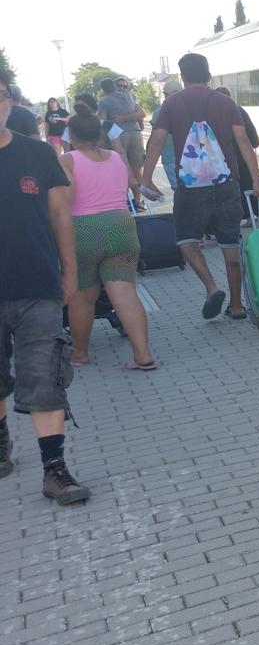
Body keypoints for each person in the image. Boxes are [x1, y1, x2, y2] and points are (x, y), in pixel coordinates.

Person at [0, 73, 91, 504]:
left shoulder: (37, 154)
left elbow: (60, 215)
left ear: (9, 103)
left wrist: (70, 271)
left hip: (37, 283)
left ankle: (54, 470)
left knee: (46, 376)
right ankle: (1, 444)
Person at [141, 53, 259, 320]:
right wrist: (257, 179)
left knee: (187, 240)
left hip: (190, 187)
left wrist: (146, 177)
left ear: (183, 76)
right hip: (226, 183)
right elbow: (243, 141)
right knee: (230, 244)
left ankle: (212, 287)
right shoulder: (226, 103)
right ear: (208, 74)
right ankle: (236, 306)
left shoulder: (171, 104)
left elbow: (155, 142)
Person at [59, 113, 155, 370]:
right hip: (122, 226)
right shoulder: (116, 158)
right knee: (124, 293)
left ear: (72, 135)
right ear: (100, 134)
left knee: (83, 297)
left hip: (84, 230)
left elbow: (64, 201)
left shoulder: (67, 160)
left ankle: (80, 354)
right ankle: (143, 355)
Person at [215, 87, 259, 224]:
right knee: (247, 185)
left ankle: (231, 219)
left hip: (223, 161)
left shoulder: (213, 114)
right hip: (243, 159)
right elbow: (253, 139)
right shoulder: (239, 111)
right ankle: (251, 215)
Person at [98, 78, 147, 209]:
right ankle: (138, 200)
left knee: (122, 169)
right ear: (114, 86)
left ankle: (123, 201)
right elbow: (142, 113)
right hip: (136, 134)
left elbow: (102, 121)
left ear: (103, 90)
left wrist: (101, 139)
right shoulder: (129, 96)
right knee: (137, 168)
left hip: (119, 135)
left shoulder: (104, 101)